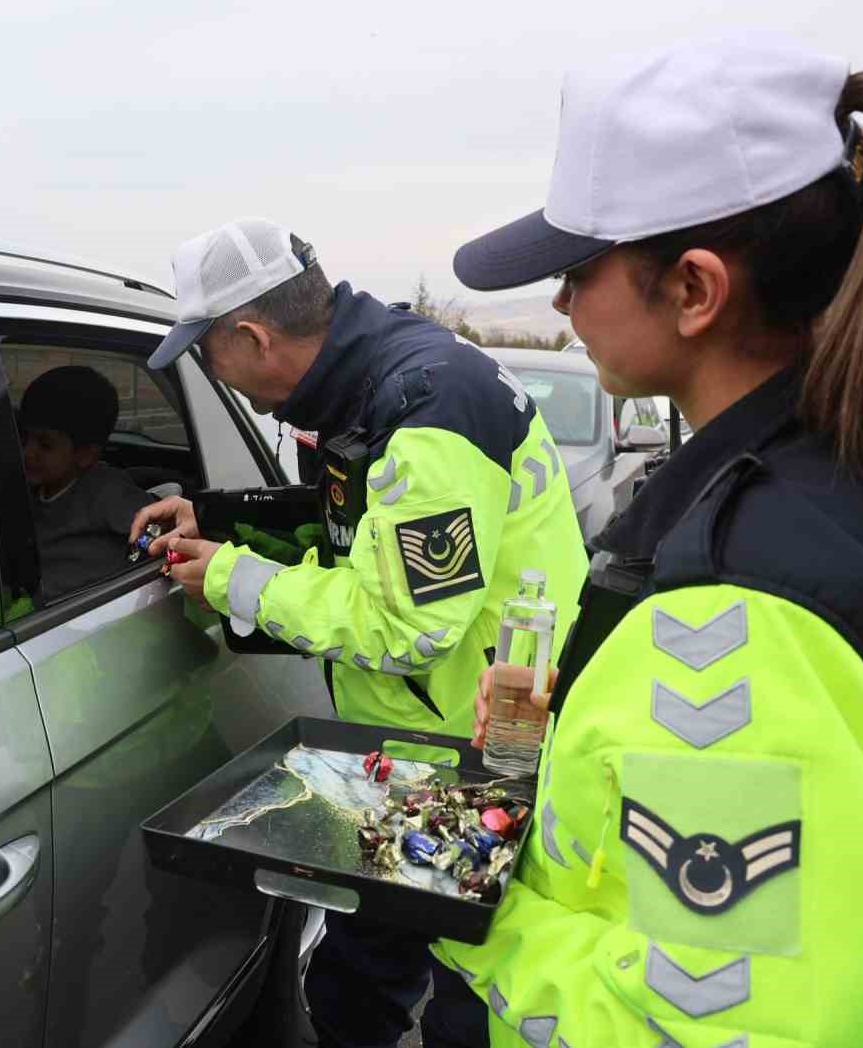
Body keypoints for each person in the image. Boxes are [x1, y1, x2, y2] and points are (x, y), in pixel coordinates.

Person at [433, 36, 863, 1048]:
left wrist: (460, 898)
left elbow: (702, 1025)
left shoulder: (737, 605)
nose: (558, 306)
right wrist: (581, 744)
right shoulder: (827, 469)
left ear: (693, 289)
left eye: (575, 270)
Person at [134, 218, 588, 1048]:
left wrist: (234, 579)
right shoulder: (375, 380)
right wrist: (225, 521)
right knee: (354, 981)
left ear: (251, 335)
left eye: (206, 351)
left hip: (475, 763)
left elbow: (407, 623)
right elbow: (359, 536)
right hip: (409, 750)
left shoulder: (426, 411)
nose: (210, 372)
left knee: (464, 1005)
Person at [18, 365, 152, 602]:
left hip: (88, 616)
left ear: (85, 455)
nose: (28, 452)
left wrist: (142, 551)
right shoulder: (28, 491)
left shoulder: (106, 492)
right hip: (36, 610)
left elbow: (156, 532)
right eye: (25, 438)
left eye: (45, 445)